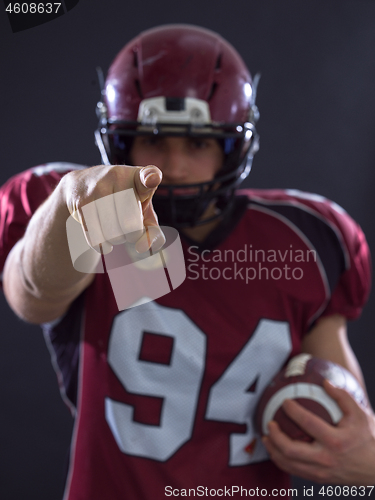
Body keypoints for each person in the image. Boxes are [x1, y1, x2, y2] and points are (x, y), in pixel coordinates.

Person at [0, 24, 374, 499]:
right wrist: (69, 207)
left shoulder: (306, 239)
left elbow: (340, 407)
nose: (174, 167)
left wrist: (370, 461)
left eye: (198, 144)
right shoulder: (99, 218)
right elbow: (32, 296)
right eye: (153, 141)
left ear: (232, 147)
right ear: (119, 145)